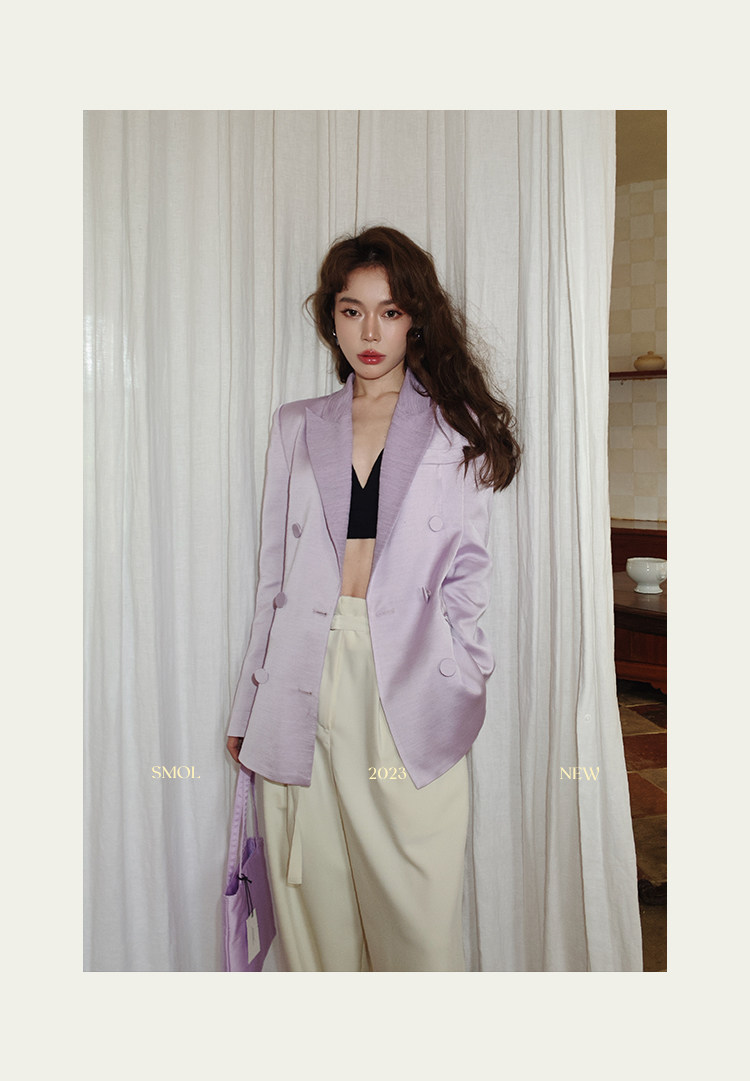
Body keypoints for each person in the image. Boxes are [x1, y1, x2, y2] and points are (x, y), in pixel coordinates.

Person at [226, 225, 520, 971]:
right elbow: (274, 579)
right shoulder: (298, 424)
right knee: (313, 915)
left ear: (414, 319)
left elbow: (469, 575)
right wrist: (249, 704)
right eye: (352, 310)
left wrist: (462, 674)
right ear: (331, 317)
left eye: (389, 312)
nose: (369, 332)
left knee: (416, 926)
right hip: (300, 676)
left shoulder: (454, 428)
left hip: (405, 679)